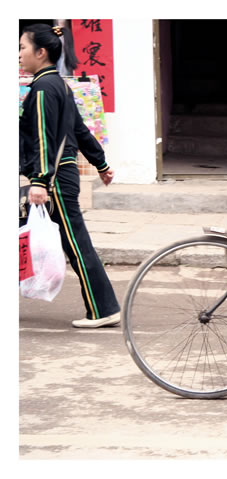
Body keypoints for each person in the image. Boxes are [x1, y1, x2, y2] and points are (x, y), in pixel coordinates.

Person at [19, 23, 121, 328]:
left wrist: (39, 180)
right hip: (61, 175)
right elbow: (79, 130)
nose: (19, 53)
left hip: (54, 179)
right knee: (71, 241)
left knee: (76, 244)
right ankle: (104, 307)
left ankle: (103, 309)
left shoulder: (41, 89)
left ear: (41, 52)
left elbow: (43, 138)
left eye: (23, 47)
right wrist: (101, 164)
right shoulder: (60, 86)